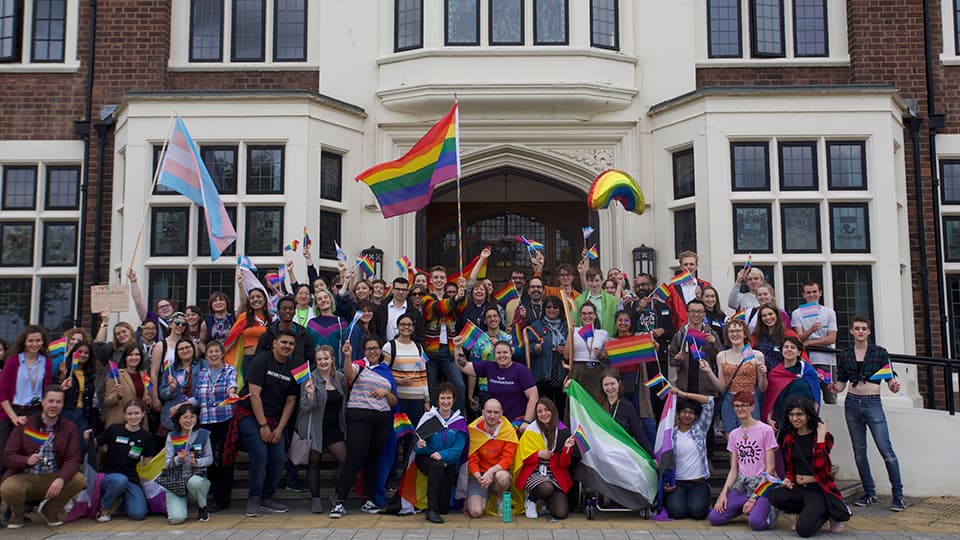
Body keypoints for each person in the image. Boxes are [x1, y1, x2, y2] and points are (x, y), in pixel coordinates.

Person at [830, 315, 904, 511]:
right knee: (859, 451)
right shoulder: (845, 353)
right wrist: (833, 388)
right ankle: (870, 493)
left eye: (864, 328)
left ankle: (898, 495)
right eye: (857, 328)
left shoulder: (880, 353)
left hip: (873, 403)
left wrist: (894, 386)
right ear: (852, 331)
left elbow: (889, 378)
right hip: (852, 403)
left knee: (885, 450)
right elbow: (841, 382)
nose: (860, 331)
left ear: (869, 331)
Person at [0, 385, 85, 529]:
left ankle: (50, 511)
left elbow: (73, 459)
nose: (54, 405)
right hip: (26, 476)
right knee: (8, 488)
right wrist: (26, 460)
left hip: (52, 476)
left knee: (79, 480)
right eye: (50, 401)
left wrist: (61, 478)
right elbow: (8, 456)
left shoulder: (69, 427)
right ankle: (18, 514)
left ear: (62, 404)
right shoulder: (25, 424)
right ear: (43, 402)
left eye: (58, 402)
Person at [330, 338, 397, 518]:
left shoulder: (386, 371)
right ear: (364, 352)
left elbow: (393, 401)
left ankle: (368, 500)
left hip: (381, 419)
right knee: (354, 459)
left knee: (373, 461)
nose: (372, 351)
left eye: (375, 348)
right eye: (369, 349)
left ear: (380, 351)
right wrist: (347, 355)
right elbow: (349, 374)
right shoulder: (360, 366)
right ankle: (340, 501)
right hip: (359, 418)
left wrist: (386, 393)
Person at [236, 330, 299, 517]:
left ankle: (268, 498)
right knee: (260, 454)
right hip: (249, 414)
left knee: (279, 458)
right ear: (274, 344)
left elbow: (290, 401)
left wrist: (279, 428)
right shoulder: (261, 360)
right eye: (283, 342)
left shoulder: (294, 367)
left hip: (274, 419)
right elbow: (254, 394)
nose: (287, 346)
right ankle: (254, 499)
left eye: (291, 344)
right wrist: (263, 425)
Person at [768, 397, 846, 537]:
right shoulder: (789, 438)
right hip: (799, 489)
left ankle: (826, 512)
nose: (794, 418)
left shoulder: (824, 437)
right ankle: (805, 512)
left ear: (808, 415)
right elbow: (791, 467)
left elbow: (820, 466)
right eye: (791, 414)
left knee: (803, 531)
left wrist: (821, 439)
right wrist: (788, 479)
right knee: (775, 496)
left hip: (818, 490)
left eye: (799, 414)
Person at [708, 391, 778, 530]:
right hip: (742, 485)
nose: (740, 409)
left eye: (744, 405)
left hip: (762, 485)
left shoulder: (766, 430)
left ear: (752, 407)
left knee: (756, 523)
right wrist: (723, 494)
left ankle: (767, 509)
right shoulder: (734, 434)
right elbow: (734, 470)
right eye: (737, 406)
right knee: (715, 517)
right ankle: (743, 507)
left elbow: (770, 468)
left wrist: (753, 498)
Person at [298, 345, 347, 514]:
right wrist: (310, 395)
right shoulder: (309, 378)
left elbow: (344, 402)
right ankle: (316, 499)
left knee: (344, 460)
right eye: (319, 359)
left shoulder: (339, 377)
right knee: (314, 463)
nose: (323, 362)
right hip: (315, 429)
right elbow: (304, 407)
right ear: (315, 362)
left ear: (332, 359)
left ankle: (337, 494)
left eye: (326, 358)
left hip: (334, 428)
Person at [409, 382, 468, 523]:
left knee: (444, 508)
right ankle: (431, 510)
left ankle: (437, 508)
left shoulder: (459, 422)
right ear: (437, 400)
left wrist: (442, 455)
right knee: (437, 465)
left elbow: (459, 448)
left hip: (448, 461)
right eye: (442, 398)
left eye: (449, 398)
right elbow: (416, 448)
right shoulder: (429, 418)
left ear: (454, 400)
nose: (446, 401)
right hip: (427, 459)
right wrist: (420, 445)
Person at [513, 397, 574, 521]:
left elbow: (564, 464)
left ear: (553, 411)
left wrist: (567, 449)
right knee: (546, 487)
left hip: (555, 474)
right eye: (539, 411)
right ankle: (531, 500)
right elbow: (523, 459)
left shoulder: (563, 431)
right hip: (533, 472)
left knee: (561, 513)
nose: (543, 414)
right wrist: (538, 454)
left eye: (547, 410)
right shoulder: (530, 431)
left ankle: (545, 501)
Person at [90, 399, 150, 522]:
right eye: (129, 414)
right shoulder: (114, 429)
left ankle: (123, 502)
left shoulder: (146, 436)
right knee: (120, 481)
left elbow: (148, 462)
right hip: (109, 476)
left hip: (131, 479)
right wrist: (87, 438)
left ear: (143, 414)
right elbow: (95, 444)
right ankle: (105, 508)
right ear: (124, 415)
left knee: (138, 514)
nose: (133, 417)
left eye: (137, 413)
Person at [195, 340, 238, 512]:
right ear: (206, 356)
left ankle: (222, 498)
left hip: (224, 419)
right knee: (208, 459)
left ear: (222, 354)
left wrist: (232, 392)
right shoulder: (202, 373)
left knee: (225, 458)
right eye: (210, 352)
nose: (213, 355)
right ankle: (212, 492)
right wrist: (180, 406)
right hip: (206, 422)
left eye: (216, 352)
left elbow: (232, 385)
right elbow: (198, 398)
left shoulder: (229, 370)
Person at [456, 339, 538, 427]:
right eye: (498, 353)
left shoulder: (521, 370)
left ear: (511, 354)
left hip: (517, 421)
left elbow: (534, 397)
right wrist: (457, 347)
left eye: (505, 352)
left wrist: (526, 422)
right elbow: (464, 366)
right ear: (494, 355)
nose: (502, 355)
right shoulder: (489, 367)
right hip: (495, 419)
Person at [662, 387, 714, 520]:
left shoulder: (700, 429)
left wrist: (683, 394)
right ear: (678, 413)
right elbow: (664, 459)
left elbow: (709, 402)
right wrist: (666, 482)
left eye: (691, 412)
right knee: (677, 513)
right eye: (683, 411)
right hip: (678, 482)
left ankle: (703, 499)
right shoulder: (670, 433)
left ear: (696, 416)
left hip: (698, 482)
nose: (687, 415)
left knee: (698, 513)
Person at [606, 312, 658, 444]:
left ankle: (652, 454)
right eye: (620, 320)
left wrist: (654, 347)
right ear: (616, 323)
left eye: (626, 320)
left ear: (631, 323)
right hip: (618, 383)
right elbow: (604, 360)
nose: (623, 323)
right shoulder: (611, 341)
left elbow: (653, 350)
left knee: (647, 419)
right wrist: (601, 354)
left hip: (638, 382)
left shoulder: (639, 338)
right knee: (621, 417)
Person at [0, 325, 52, 456]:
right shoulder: (13, 361)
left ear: (43, 342)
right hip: (12, 412)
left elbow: (47, 390)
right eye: (31, 341)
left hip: (34, 412)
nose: (34, 344)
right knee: (5, 452)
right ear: (24, 342)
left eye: (38, 340)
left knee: (28, 452)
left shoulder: (46, 363)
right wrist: (14, 418)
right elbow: (2, 393)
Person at [385, 313, 429, 461]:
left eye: (409, 324)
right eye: (403, 324)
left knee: (413, 439)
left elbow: (423, 374)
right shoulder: (389, 346)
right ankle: (391, 477)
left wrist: (427, 399)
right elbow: (383, 374)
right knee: (395, 438)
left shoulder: (418, 347)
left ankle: (406, 475)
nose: (406, 327)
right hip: (399, 400)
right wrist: (399, 381)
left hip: (417, 400)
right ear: (397, 327)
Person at [422, 268, 468, 414]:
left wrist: (462, 292)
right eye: (436, 277)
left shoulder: (451, 298)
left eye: (442, 277)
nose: (439, 280)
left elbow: (461, 309)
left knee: (459, 386)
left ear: (446, 280)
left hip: (449, 351)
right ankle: (435, 420)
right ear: (431, 280)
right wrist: (454, 299)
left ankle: (459, 418)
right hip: (431, 351)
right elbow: (436, 309)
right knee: (431, 389)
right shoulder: (426, 299)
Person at [466, 398, 519, 518]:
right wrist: (478, 476)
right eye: (489, 412)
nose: (492, 416)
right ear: (483, 412)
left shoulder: (508, 430)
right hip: (480, 476)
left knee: (503, 477)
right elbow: (472, 459)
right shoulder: (473, 430)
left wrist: (490, 472)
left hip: (497, 474)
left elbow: (507, 460)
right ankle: (475, 498)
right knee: (476, 512)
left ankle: (500, 499)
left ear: (501, 414)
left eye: (496, 412)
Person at [712, 319, 767, 433]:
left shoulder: (757, 355)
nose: (735, 334)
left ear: (745, 333)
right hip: (730, 401)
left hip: (750, 400)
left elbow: (762, 388)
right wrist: (708, 371)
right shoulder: (721, 356)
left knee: (752, 438)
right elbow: (722, 388)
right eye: (731, 331)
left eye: (738, 331)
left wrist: (763, 375)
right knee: (731, 440)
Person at [162, 403, 213, 524]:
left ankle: (202, 507)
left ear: (197, 418)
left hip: (196, 481)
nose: (188, 420)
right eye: (185, 417)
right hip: (176, 483)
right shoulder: (172, 436)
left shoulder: (203, 434)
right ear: (178, 419)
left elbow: (210, 459)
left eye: (192, 417)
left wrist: (197, 462)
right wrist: (177, 459)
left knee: (195, 481)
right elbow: (167, 463)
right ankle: (179, 505)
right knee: (176, 519)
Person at [791, 282, 838, 404]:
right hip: (807, 360)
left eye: (814, 292)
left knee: (830, 396)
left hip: (827, 360)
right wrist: (811, 330)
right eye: (808, 292)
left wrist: (809, 343)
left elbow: (832, 338)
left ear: (820, 293)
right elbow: (799, 339)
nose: (812, 295)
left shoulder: (829, 312)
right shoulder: (797, 313)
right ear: (803, 295)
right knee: (808, 397)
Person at [461, 305, 513, 411]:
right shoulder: (479, 341)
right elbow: (473, 369)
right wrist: (470, 394)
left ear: (499, 319)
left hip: (506, 386)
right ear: (485, 321)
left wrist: (499, 345)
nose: (492, 319)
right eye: (489, 317)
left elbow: (514, 361)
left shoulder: (508, 338)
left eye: (495, 316)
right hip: (485, 388)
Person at [764, 336, 821, 430]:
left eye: (793, 347)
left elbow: (816, 397)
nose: (789, 350)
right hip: (782, 420)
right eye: (786, 347)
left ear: (799, 352)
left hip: (804, 421)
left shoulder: (808, 371)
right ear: (781, 351)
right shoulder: (775, 373)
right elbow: (771, 399)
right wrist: (769, 418)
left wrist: (813, 418)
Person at [667, 299, 720, 396]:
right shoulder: (680, 334)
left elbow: (718, 359)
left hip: (707, 389)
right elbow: (672, 361)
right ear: (687, 313)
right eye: (693, 311)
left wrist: (713, 344)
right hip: (685, 388)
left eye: (699, 312)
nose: (696, 315)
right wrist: (678, 359)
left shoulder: (711, 334)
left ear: (704, 314)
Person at [529, 296, 568, 417]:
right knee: (544, 408)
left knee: (561, 408)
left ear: (560, 309)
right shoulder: (536, 325)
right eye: (548, 307)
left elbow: (573, 347)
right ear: (544, 309)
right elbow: (527, 348)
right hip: (543, 373)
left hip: (561, 373)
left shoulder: (567, 326)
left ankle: (561, 433)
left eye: (555, 307)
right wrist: (535, 348)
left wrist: (565, 349)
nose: (552, 309)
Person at [598, 370, 653, 455]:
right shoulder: (598, 405)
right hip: (603, 452)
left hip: (623, 453)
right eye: (606, 385)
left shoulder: (628, 407)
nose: (609, 388)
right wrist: (570, 385)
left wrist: (651, 456)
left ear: (619, 384)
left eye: (612, 384)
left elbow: (639, 433)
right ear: (602, 386)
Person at [256, 295, 312, 373]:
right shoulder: (269, 333)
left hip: (298, 376)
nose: (288, 311)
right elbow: (259, 357)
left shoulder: (303, 333)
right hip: (273, 375)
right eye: (284, 308)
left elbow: (311, 358)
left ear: (295, 312)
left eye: (290, 309)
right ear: (278, 312)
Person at [56, 342, 96, 448]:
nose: (82, 355)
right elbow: (53, 391)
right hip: (66, 412)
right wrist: (61, 382)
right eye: (80, 352)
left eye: (86, 353)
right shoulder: (64, 371)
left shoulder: (90, 374)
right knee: (63, 444)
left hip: (83, 413)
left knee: (79, 445)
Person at [568, 302, 610, 405]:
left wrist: (601, 355)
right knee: (578, 404)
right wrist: (570, 333)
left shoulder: (603, 333)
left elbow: (607, 357)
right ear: (580, 316)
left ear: (595, 315)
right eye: (584, 313)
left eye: (590, 313)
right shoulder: (574, 331)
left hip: (596, 372)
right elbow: (566, 355)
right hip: (578, 371)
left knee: (596, 403)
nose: (587, 316)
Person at [101, 343, 150, 431]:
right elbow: (107, 401)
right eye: (130, 355)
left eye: (137, 354)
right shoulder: (115, 373)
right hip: (120, 422)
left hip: (139, 424)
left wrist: (148, 402)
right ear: (125, 357)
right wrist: (117, 396)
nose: (134, 357)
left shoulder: (145, 375)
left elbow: (148, 400)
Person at [158, 339, 204, 432]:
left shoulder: (204, 365)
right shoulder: (171, 369)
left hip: (198, 412)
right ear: (177, 352)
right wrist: (171, 389)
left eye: (187, 347)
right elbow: (162, 394)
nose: (185, 350)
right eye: (181, 349)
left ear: (193, 349)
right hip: (176, 415)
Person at [150, 311, 189, 412]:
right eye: (177, 323)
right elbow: (154, 373)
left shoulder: (188, 345)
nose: (180, 326)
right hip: (166, 388)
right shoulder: (161, 346)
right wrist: (154, 398)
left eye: (183, 324)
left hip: (185, 390)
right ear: (170, 324)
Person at [665, 251, 712, 329]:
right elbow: (668, 310)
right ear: (681, 267)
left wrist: (701, 298)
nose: (688, 267)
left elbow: (711, 308)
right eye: (685, 264)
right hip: (681, 329)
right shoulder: (672, 288)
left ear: (696, 266)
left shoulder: (705, 285)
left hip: (702, 329)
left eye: (691, 264)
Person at [128, 267, 177, 340]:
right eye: (161, 307)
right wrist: (133, 281)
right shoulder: (152, 319)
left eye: (167, 305)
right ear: (157, 311)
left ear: (173, 308)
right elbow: (138, 302)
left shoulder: (180, 321)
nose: (165, 308)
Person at [305, 288, 349, 370]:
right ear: (316, 304)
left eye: (326, 297)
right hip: (317, 369)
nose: (323, 300)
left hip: (336, 369)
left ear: (331, 300)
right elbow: (308, 347)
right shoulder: (311, 323)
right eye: (319, 299)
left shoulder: (341, 322)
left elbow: (346, 346)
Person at [751, 304, 800, 373]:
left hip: (782, 375)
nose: (768, 317)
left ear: (776, 315)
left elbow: (801, 354)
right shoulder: (756, 335)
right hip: (761, 376)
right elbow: (747, 356)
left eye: (770, 314)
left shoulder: (788, 334)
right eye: (764, 316)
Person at [373, 277, 423, 342]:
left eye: (404, 290)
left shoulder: (414, 312)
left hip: (406, 349)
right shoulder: (381, 309)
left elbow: (420, 334)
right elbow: (375, 330)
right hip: (385, 349)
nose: (401, 292)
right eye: (398, 289)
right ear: (392, 290)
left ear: (408, 291)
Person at [574, 267, 618, 332]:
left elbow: (615, 321)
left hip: (606, 337)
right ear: (587, 281)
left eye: (597, 280)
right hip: (585, 337)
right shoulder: (579, 300)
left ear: (602, 280)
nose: (594, 284)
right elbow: (575, 321)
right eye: (591, 281)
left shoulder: (612, 300)